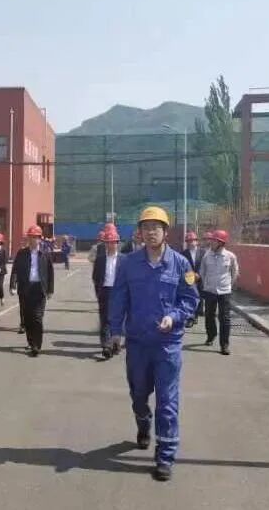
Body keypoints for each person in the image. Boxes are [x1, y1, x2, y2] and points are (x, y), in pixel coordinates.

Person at [109, 206, 199, 482]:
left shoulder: (182, 264)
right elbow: (119, 298)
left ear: (165, 232)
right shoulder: (128, 264)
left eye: (156, 227)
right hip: (137, 343)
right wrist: (115, 331)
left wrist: (174, 317)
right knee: (138, 394)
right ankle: (143, 422)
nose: (150, 232)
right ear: (140, 232)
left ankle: (165, 456)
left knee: (167, 401)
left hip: (167, 345)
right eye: (146, 227)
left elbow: (191, 299)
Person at [10, 225, 55, 356]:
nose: (33, 240)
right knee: (28, 318)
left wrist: (50, 290)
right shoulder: (21, 253)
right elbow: (15, 270)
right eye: (31, 237)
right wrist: (12, 285)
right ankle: (31, 342)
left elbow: (50, 272)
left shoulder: (45, 253)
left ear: (40, 239)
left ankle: (37, 345)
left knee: (37, 318)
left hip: (39, 289)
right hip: (25, 289)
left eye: (35, 237)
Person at [199, 229, 239, 355]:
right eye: (212, 240)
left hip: (224, 291)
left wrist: (229, 285)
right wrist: (205, 284)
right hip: (210, 290)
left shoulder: (230, 256)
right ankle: (211, 335)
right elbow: (202, 271)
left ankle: (224, 345)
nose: (211, 243)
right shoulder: (207, 256)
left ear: (221, 243)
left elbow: (235, 272)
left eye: (214, 241)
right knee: (209, 315)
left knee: (224, 318)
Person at [92, 227, 124, 359]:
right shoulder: (100, 259)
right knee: (104, 320)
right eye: (108, 243)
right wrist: (98, 292)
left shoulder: (124, 260)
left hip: (119, 293)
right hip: (105, 291)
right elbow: (95, 277)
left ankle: (115, 343)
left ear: (117, 243)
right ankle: (106, 345)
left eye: (113, 242)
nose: (110, 245)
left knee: (116, 320)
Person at [181, 231, 205, 328]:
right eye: (189, 241)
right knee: (191, 296)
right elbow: (182, 267)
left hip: (200, 278)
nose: (191, 243)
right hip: (189, 278)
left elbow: (205, 265)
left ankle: (196, 315)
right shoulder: (183, 253)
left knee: (200, 297)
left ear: (197, 241)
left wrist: (199, 274)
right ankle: (191, 317)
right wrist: (191, 275)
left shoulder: (203, 252)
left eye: (193, 240)